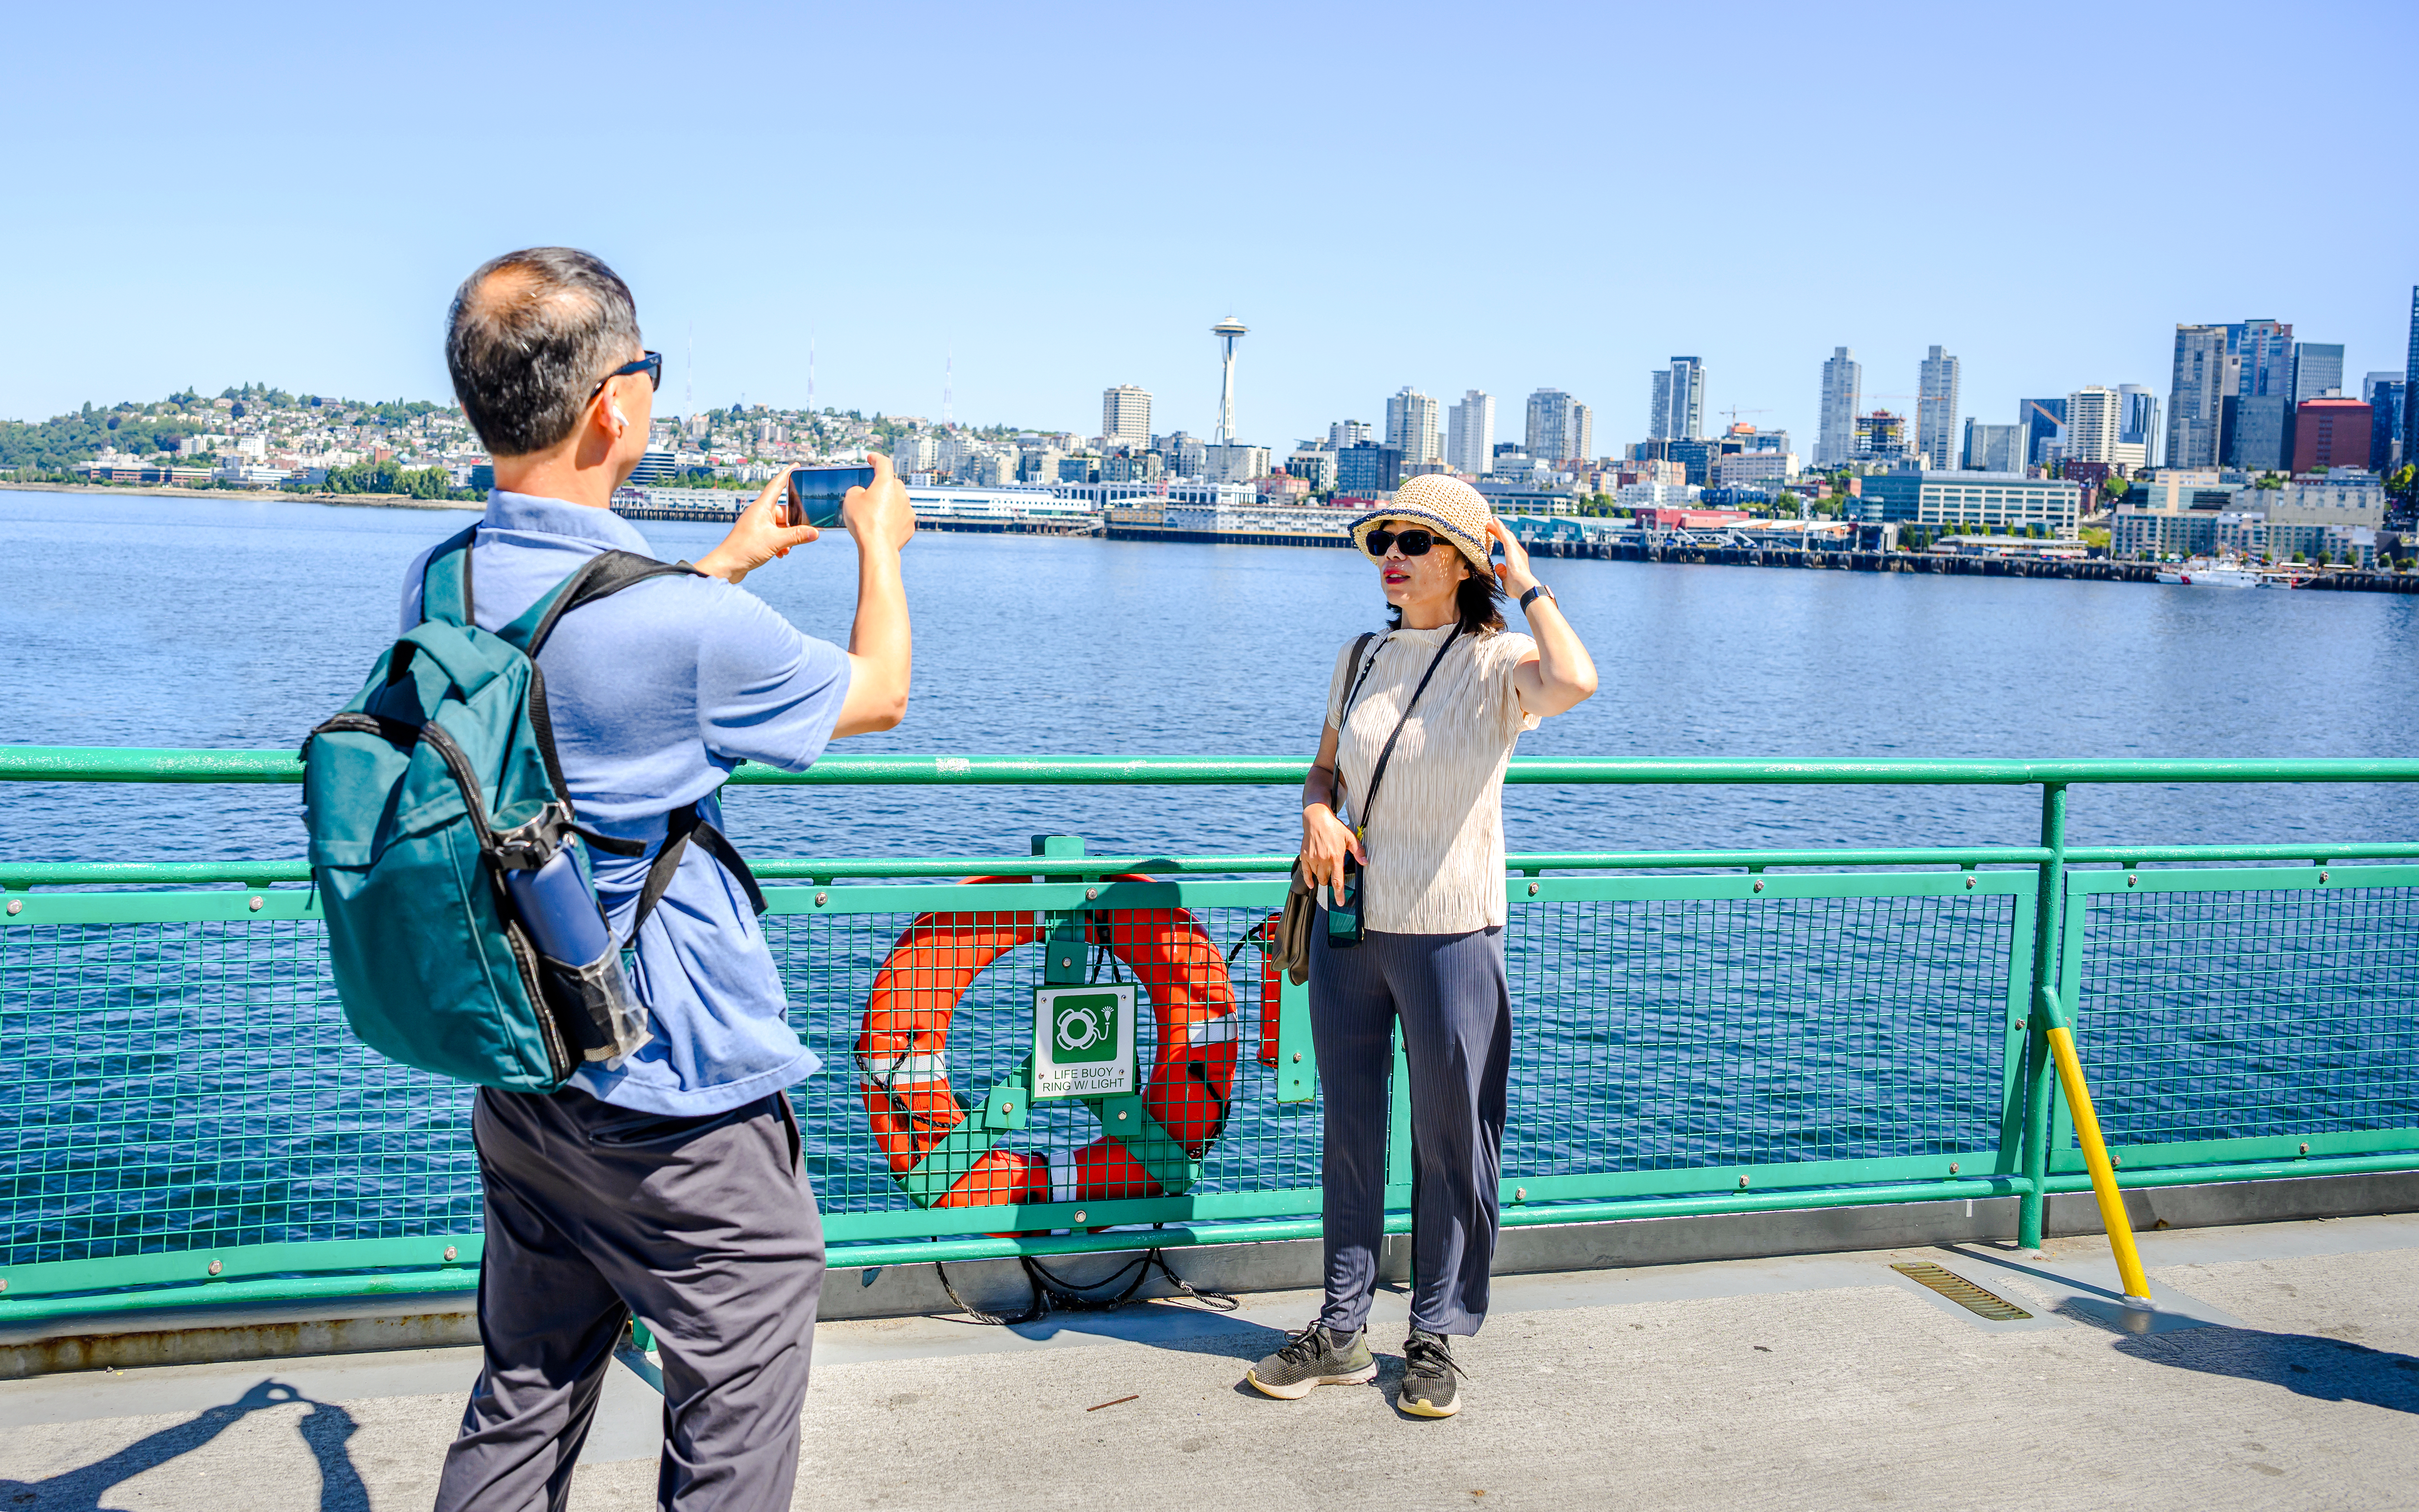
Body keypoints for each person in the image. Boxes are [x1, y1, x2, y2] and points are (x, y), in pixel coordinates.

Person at [418, 247, 914, 1511]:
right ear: (612, 407)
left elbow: (576, 662)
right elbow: (879, 693)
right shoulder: (685, 631)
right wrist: (881, 545)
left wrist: (728, 561)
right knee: (732, 1407)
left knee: (525, 1389)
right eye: (646, 370)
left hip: (524, 1065)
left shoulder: (441, 578)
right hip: (676, 1099)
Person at [1245, 474, 1598, 1418]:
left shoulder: (1501, 660)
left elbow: (1576, 681)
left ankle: (1434, 1334)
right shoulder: (1361, 655)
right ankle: (1340, 1328)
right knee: (1350, 1135)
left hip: (1450, 931)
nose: (1390, 556)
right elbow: (1324, 768)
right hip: (1351, 925)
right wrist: (1317, 813)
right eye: (1383, 540)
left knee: (1450, 1141)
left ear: (1463, 560)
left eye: (1414, 541)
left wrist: (1527, 581)